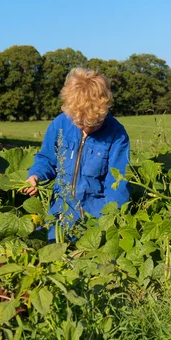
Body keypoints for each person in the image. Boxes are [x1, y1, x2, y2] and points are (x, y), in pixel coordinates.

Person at [23, 67, 131, 240]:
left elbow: (117, 186)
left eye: (93, 124)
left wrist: (108, 227)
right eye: (79, 123)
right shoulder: (60, 124)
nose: (85, 128)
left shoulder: (116, 135)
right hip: (59, 215)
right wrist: (36, 176)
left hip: (94, 221)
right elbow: (46, 159)